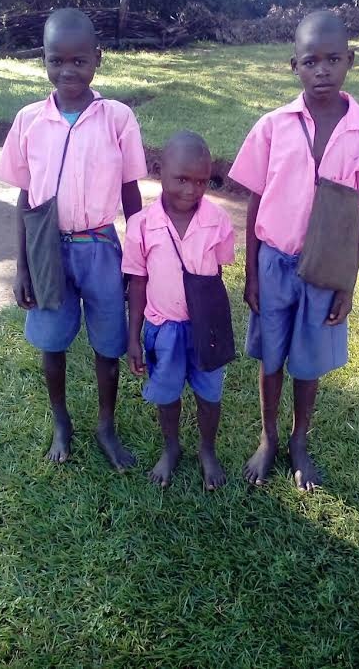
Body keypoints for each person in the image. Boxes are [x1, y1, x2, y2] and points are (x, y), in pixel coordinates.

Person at [229, 10, 359, 492]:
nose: (322, 70)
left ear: (351, 60)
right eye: (310, 61)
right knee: (271, 358)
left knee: (309, 361)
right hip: (274, 263)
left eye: (333, 59)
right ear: (294, 66)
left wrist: (347, 283)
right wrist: (252, 273)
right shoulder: (273, 126)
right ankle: (268, 437)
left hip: (324, 270)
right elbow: (255, 200)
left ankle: (299, 440)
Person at [0, 8, 148, 470]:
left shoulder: (117, 118)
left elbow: (131, 193)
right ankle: (62, 421)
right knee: (52, 341)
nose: (68, 71)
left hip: (102, 248)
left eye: (79, 61)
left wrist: (138, 258)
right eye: (56, 60)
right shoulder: (29, 121)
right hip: (48, 251)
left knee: (108, 344)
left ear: (97, 58)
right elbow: (26, 198)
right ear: (43, 59)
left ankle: (106, 425)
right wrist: (22, 266)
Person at [122, 130, 235, 489]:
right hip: (163, 328)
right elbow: (137, 282)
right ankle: (171, 446)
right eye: (182, 179)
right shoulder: (141, 225)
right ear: (159, 170)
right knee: (167, 393)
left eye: (201, 181)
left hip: (205, 327)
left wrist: (211, 321)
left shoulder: (218, 221)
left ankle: (207, 449)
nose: (191, 189)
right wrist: (134, 338)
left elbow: (216, 275)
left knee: (209, 394)